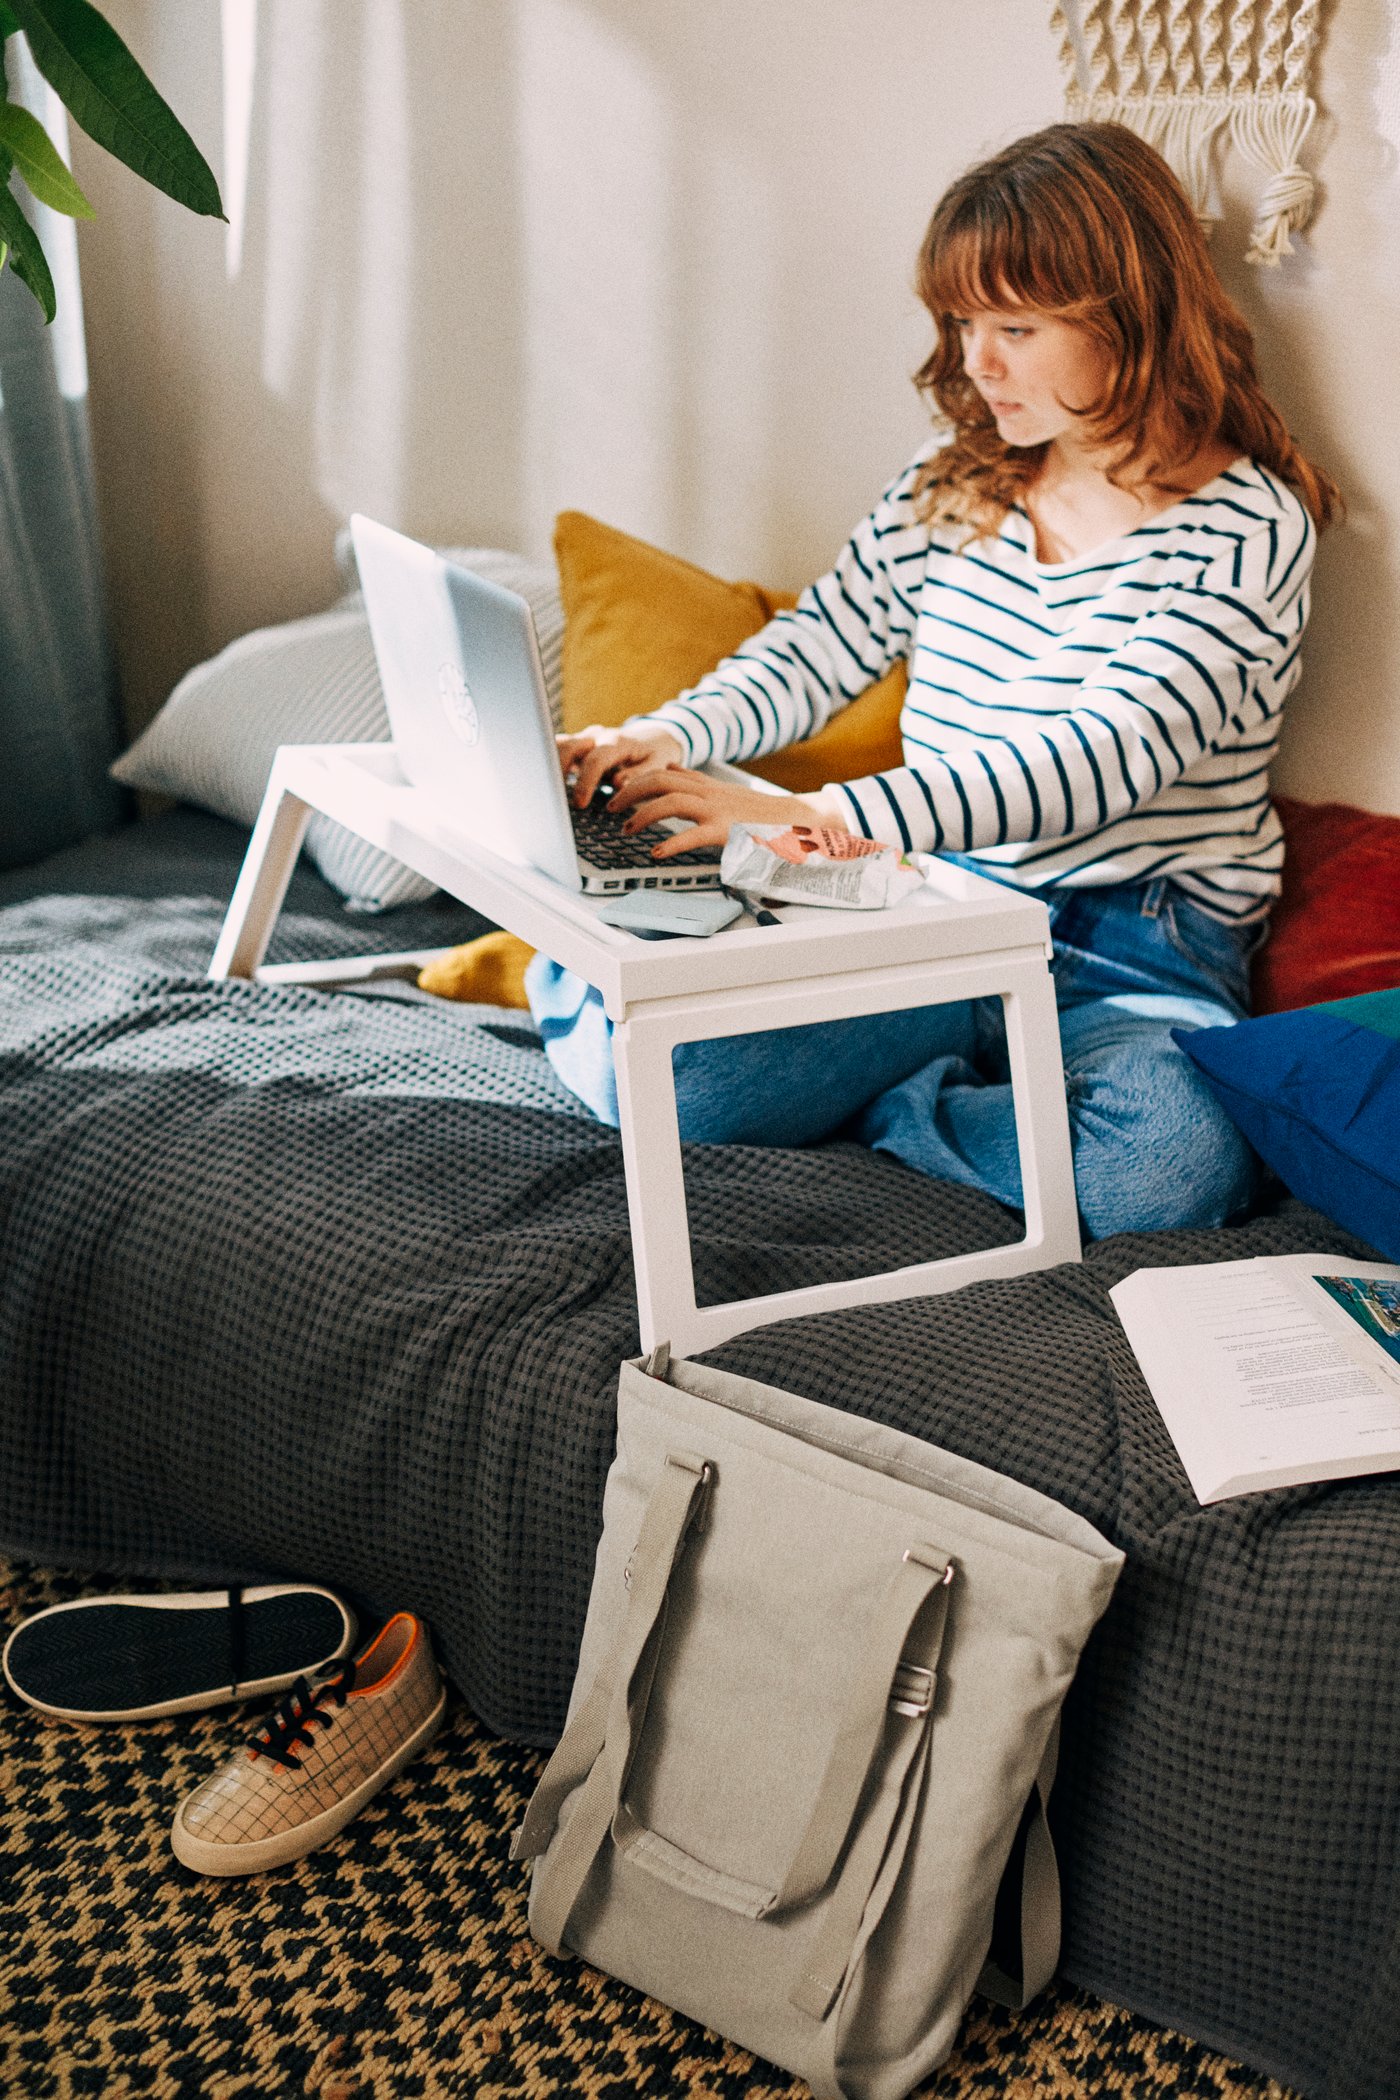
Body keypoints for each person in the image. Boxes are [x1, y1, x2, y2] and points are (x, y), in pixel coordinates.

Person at [529, 121, 1340, 1239]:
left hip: (1127, 944)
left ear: (1131, 317)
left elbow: (1098, 759)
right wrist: (668, 736)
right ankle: (963, 1100)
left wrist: (814, 813)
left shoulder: (1247, 530)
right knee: (673, 1082)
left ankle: (900, 1108)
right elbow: (822, 644)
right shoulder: (952, 480)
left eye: (1013, 326)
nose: (975, 361)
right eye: (963, 324)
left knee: (1167, 1174)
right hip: (930, 904)